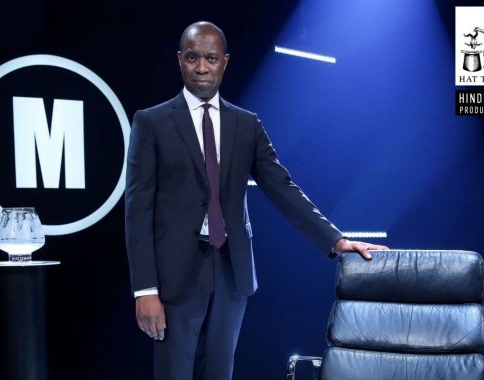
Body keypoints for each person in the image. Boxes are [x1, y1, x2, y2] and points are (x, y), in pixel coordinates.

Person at [125, 21, 388, 380]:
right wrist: (145, 289)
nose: (202, 67)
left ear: (225, 62)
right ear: (180, 60)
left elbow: (283, 188)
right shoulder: (151, 122)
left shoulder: (246, 125)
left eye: (211, 58)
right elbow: (137, 212)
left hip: (233, 273)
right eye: (193, 57)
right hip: (173, 278)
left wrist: (336, 239)